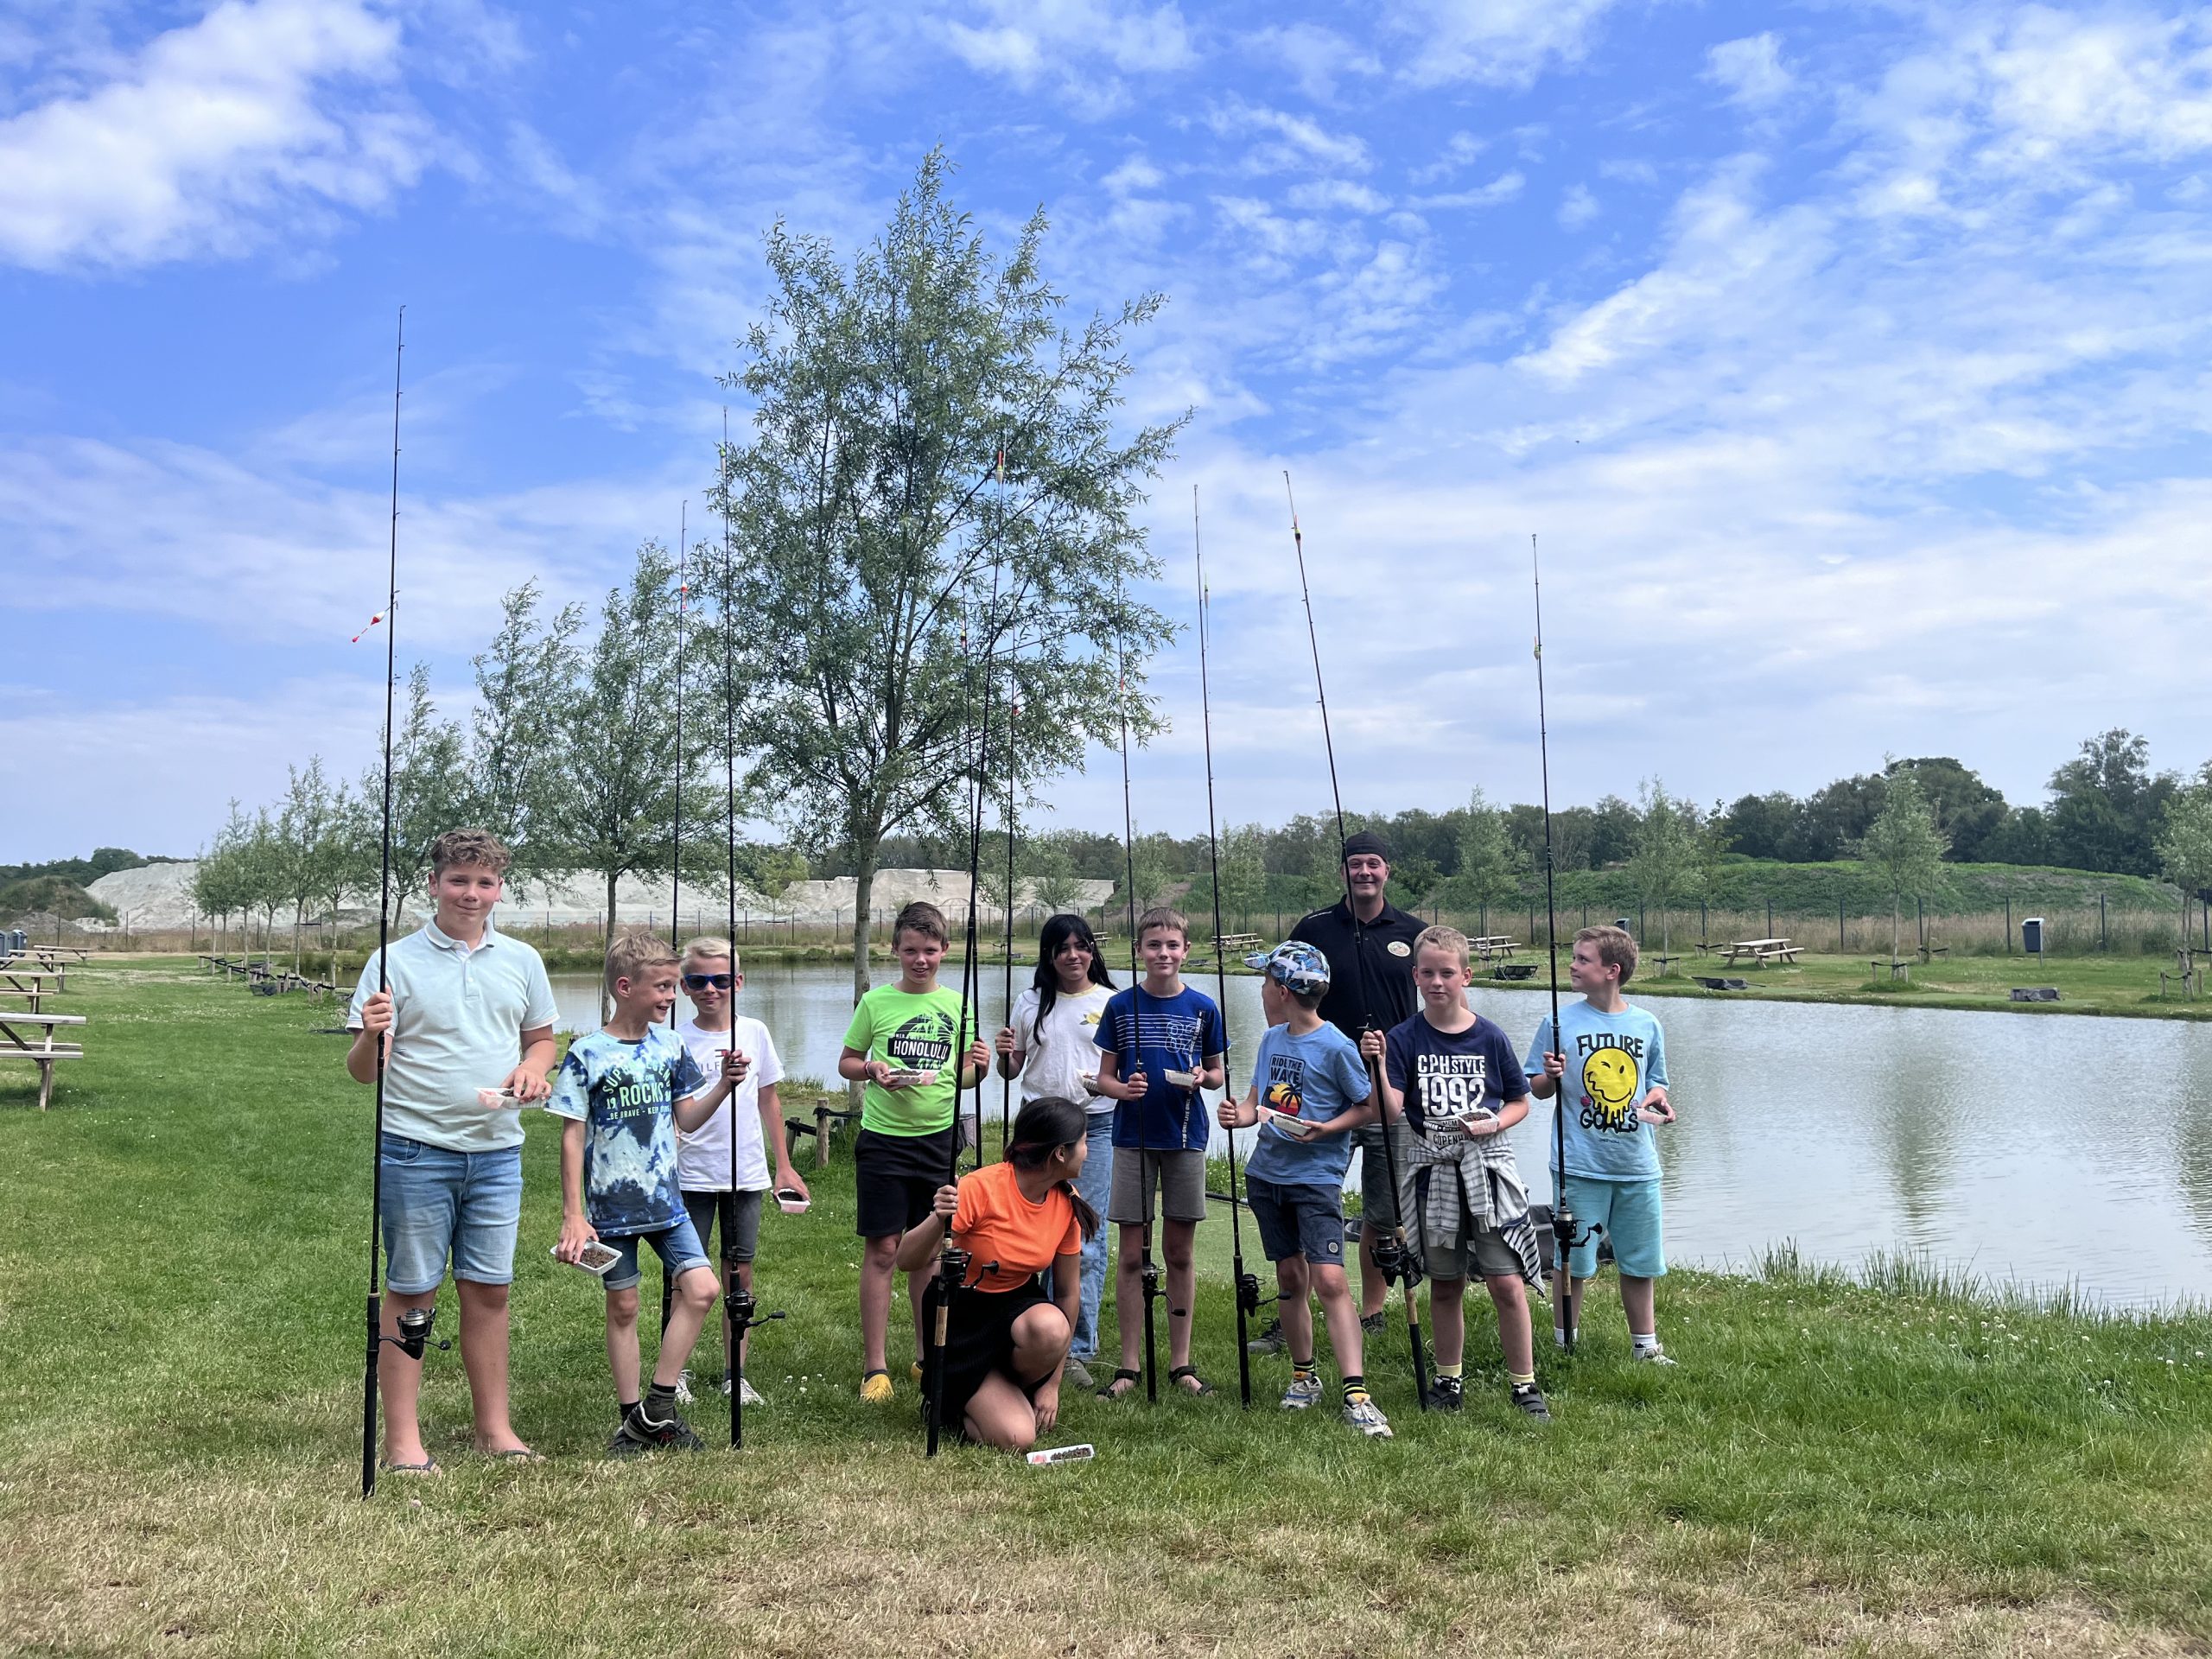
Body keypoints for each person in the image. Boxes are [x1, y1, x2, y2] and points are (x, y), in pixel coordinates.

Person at [346, 827, 556, 1474]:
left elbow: (542, 1041)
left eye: (485, 882)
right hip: (415, 1149)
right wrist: (372, 1036)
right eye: (459, 880)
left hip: (497, 1152)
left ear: (499, 889)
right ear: (433, 884)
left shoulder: (523, 961)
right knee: (413, 1293)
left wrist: (532, 1071)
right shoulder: (392, 962)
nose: (472, 893)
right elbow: (361, 1072)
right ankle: (404, 1442)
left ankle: (495, 1429)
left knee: (490, 1291)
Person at [549, 933, 743, 1455]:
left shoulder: (671, 1046)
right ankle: (630, 1418)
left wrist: (723, 1085)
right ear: (625, 987)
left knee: (702, 1290)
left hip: (667, 1204)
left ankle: (656, 1409)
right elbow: (571, 1136)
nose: (671, 996)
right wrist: (573, 1215)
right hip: (610, 1212)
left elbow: (688, 1119)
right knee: (625, 1306)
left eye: (673, 986)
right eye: (662, 987)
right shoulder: (586, 1053)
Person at [1362, 925, 1550, 1420]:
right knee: (1444, 1284)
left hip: (1487, 1170)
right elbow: (1392, 1109)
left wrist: (1492, 1124)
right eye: (1427, 973)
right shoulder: (1403, 1038)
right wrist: (1378, 1065)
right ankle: (1449, 1380)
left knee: (1505, 1280)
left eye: (1448, 973)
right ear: (1415, 976)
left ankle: (1524, 1385)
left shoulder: (1490, 1035)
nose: (1437, 982)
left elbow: (1518, 1102)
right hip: (1433, 1173)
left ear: (1466, 975)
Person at [1217, 940, 1391, 1439]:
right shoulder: (1272, 1039)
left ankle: (1356, 1392)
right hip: (1266, 1175)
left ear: (1285, 991)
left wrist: (1326, 1128)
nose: (1262, 990)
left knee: (1331, 1281)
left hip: (1316, 1180)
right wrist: (1238, 1116)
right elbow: (1258, 1104)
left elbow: (1368, 1108)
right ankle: (1303, 1376)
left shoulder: (1336, 1045)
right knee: (1291, 1279)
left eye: (1267, 982)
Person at [837, 900, 990, 1403]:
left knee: (927, 1250)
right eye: (910, 951)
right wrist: (872, 1071)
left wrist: (984, 1067)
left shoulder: (958, 1004)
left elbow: (963, 1075)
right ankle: (874, 1366)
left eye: (929, 950)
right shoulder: (876, 1003)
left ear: (944, 951)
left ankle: (928, 1356)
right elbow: (847, 1062)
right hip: (883, 1140)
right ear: (895, 951)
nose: (919, 959)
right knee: (882, 1249)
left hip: (940, 1140)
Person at [1286, 829, 1426, 1344]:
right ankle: (1293, 1309)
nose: (1364, 872)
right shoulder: (1314, 927)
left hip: (1390, 1089)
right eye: (1355, 864)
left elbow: (1436, 996)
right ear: (1342, 871)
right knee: (1305, 1196)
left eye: (1374, 863)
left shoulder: (1413, 931)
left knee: (1383, 1209)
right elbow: (1277, 991)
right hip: (1322, 1088)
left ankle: (1371, 1310)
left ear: (1387, 870)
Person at [896, 1095, 1096, 1449]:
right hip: (960, 1314)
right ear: (1060, 1154)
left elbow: (1067, 1295)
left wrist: (1051, 1385)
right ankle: (948, 1400)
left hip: (1016, 1304)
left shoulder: (1067, 1201)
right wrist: (938, 1218)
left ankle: (1003, 1387)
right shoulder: (981, 1188)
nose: (1088, 1149)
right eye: (1083, 1141)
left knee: (1052, 1328)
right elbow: (907, 1260)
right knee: (1017, 1438)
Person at [1525, 925, 1676, 1363]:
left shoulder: (1647, 1023)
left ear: (1612, 970)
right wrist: (1548, 1076)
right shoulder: (1558, 1023)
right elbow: (1535, 1088)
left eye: (1582, 959)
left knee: (1641, 1260)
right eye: (1573, 958)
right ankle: (1563, 1342)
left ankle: (1645, 1346)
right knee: (1573, 1262)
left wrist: (1659, 1099)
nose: (1572, 966)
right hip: (1579, 1165)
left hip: (1636, 1166)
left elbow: (1657, 1083)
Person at [1092, 906, 1227, 1399]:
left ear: (1186, 950)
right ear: (1139, 951)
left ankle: (1180, 1363)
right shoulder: (1120, 1007)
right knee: (1131, 1252)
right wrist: (1120, 1089)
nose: (1163, 953)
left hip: (1187, 1139)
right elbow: (1104, 1076)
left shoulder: (1204, 1008)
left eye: (1172, 945)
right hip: (1131, 1140)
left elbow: (1216, 1073)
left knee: (1179, 1253)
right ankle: (1128, 1366)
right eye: (1154, 945)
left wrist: (1203, 1079)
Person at [672, 937, 809, 1407]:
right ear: (684, 987)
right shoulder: (674, 1039)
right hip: (688, 1173)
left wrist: (784, 1165)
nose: (711, 989)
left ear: (739, 982)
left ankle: (736, 1371)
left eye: (722, 980)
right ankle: (678, 1369)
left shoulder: (755, 1032)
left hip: (745, 1172)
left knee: (739, 1269)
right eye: (698, 981)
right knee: (684, 1273)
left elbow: (769, 1099)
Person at [994, 913, 1116, 1390]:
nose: (1073, 955)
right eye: (1062, 947)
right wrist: (1005, 1054)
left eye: (1081, 946)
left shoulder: (1112, 1002)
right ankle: (1024, 1328)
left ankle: (1077, 1346)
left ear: (1092, 951)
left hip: (1096, 1125)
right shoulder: (1028, 1003)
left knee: (1084, 1234)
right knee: (1027, 1229)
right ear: (1049, 954)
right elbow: (1012, 1069)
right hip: (1039, 1124)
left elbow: (1121, 1067)